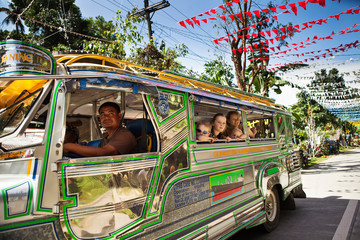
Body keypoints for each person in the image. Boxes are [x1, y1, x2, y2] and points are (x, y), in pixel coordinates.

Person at [63, 102, 138, 157]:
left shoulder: (124, 135)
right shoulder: (106, 139)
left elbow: (105, 152)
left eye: (111, 113)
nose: (106, 117)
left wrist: (69, 146)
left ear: (119, 116)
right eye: (103, 114)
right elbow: (97, 155)